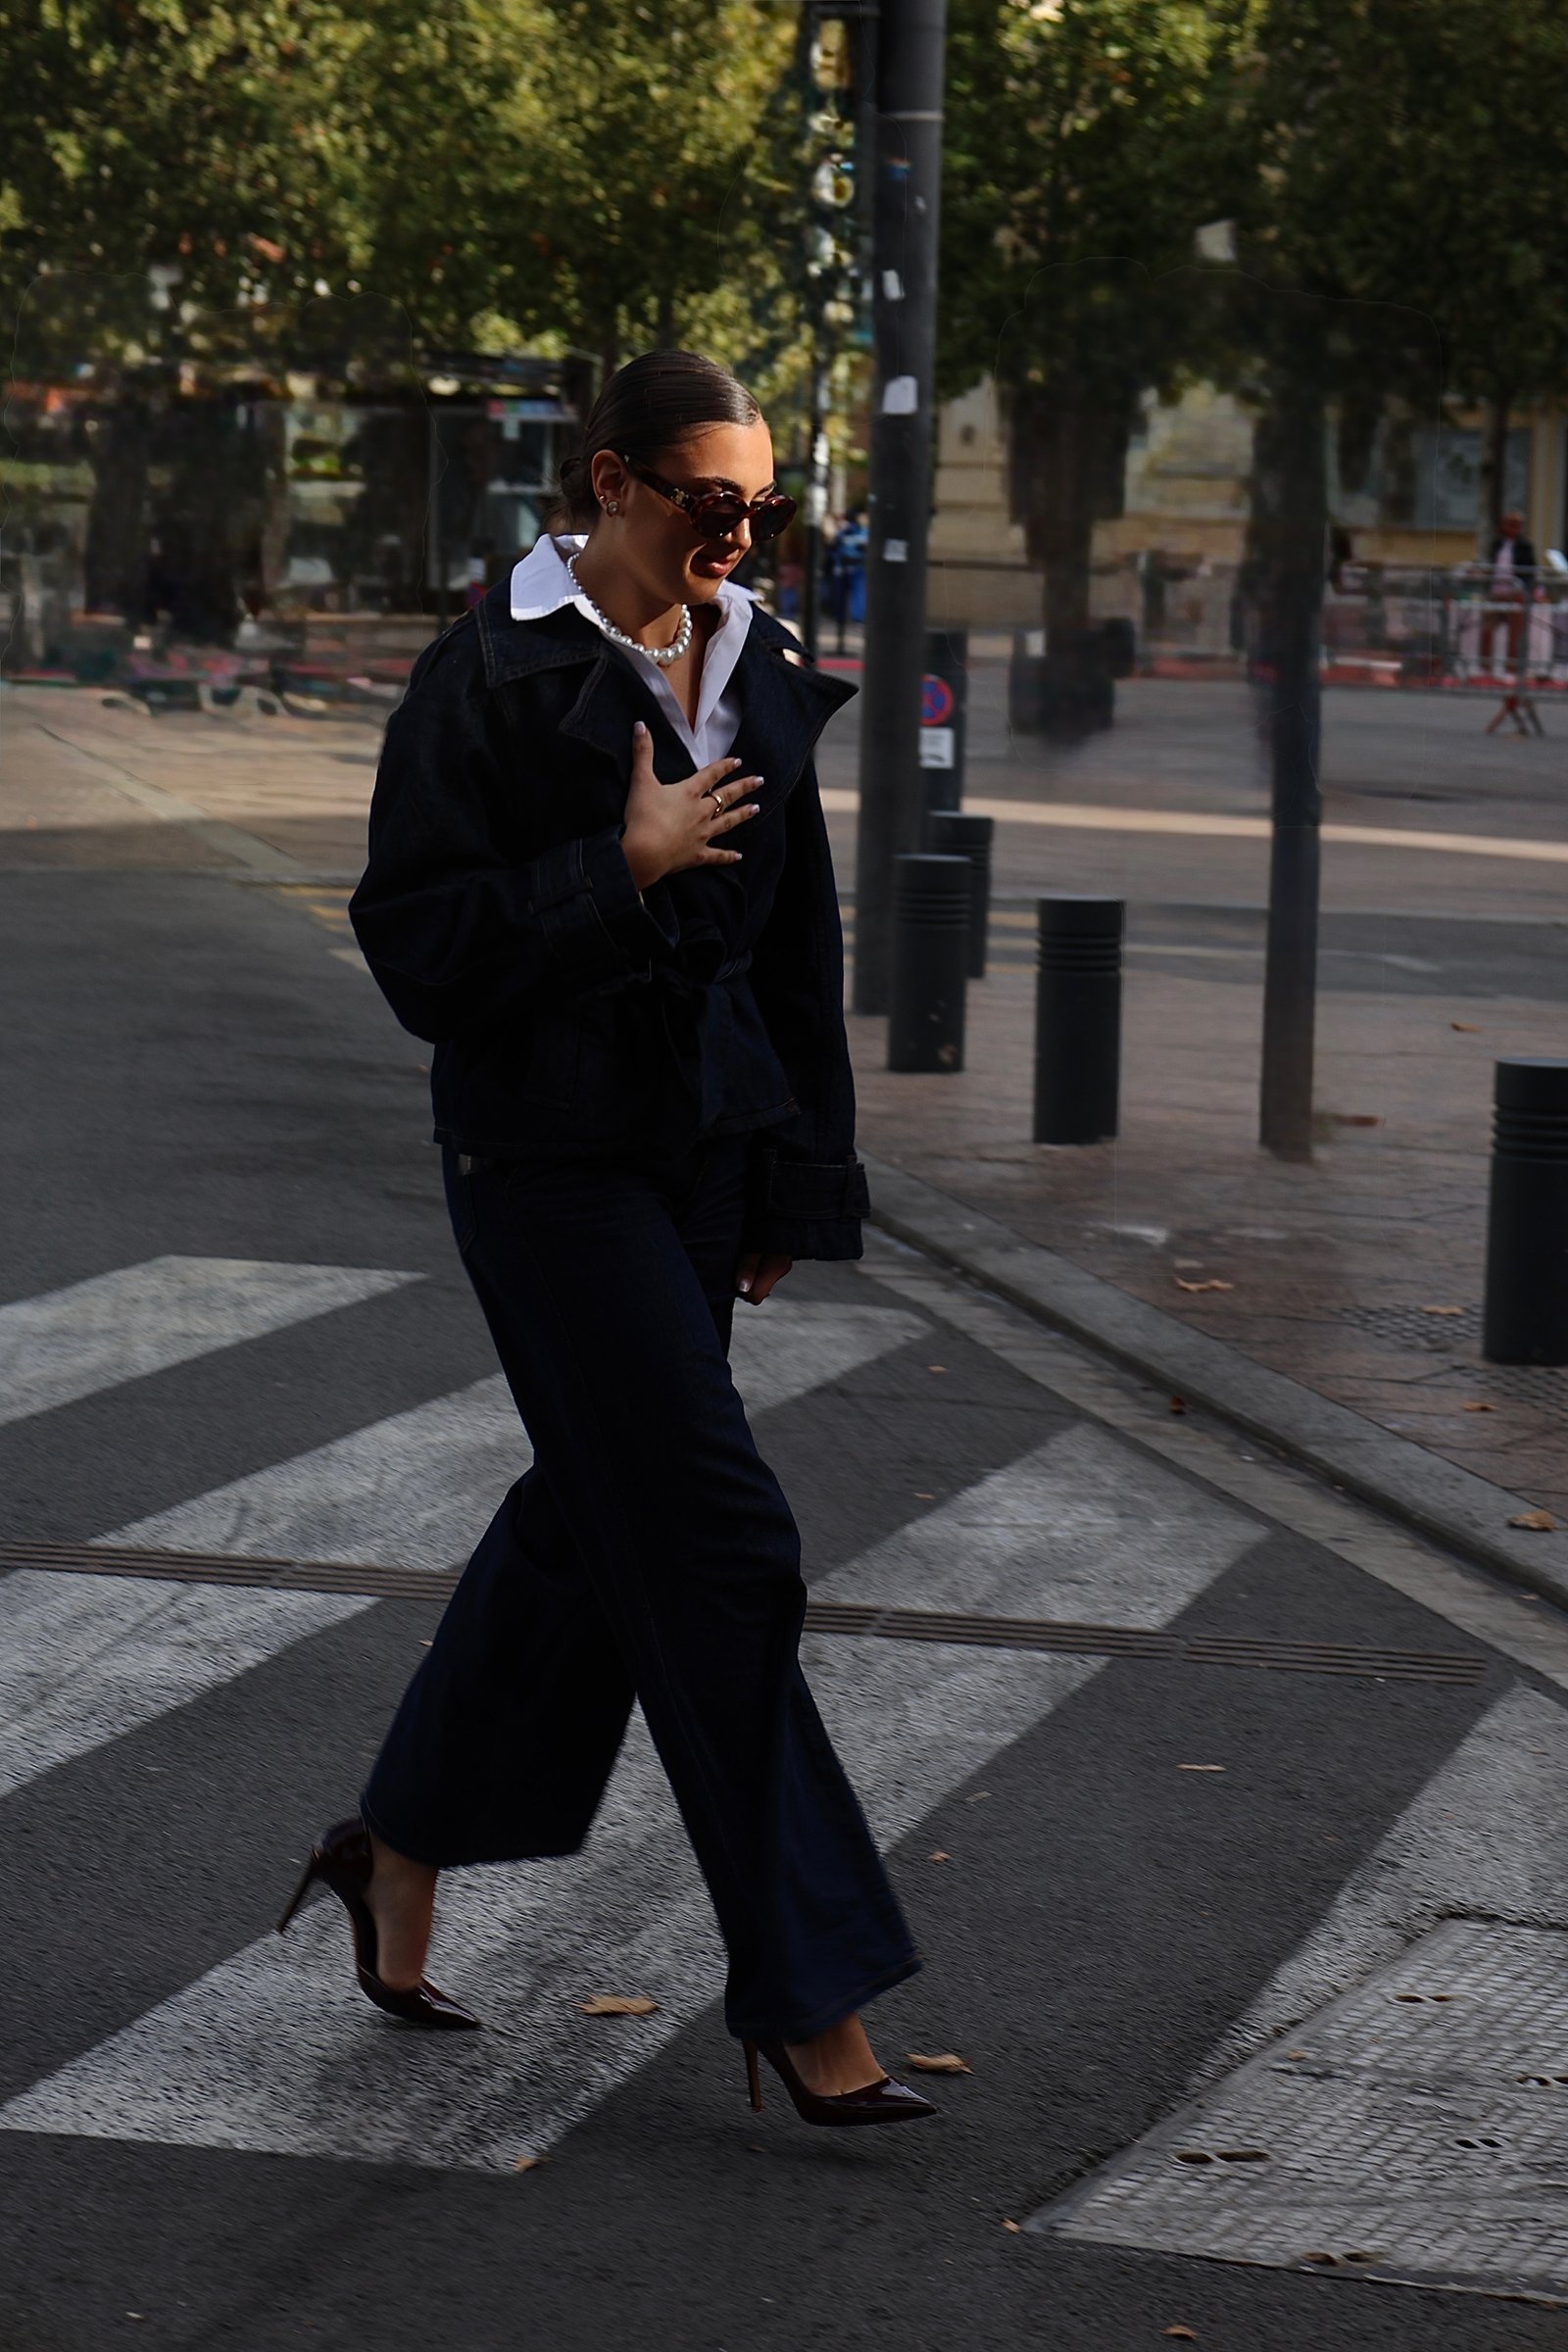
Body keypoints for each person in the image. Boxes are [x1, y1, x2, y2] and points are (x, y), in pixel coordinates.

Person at [276, 350, 935, 2132]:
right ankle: (810, 1996)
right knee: (718, 1543)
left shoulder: (764, 667)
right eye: (720, 502)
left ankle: (394, 1844)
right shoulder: (487, 668)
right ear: (619, 486)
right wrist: (616, 871)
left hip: (701, 1165)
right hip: (547, 1166)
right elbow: (417, 947)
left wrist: (796, 1179)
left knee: (596, 1517)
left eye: (770, 507)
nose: (749, 537)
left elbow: (802, 955)